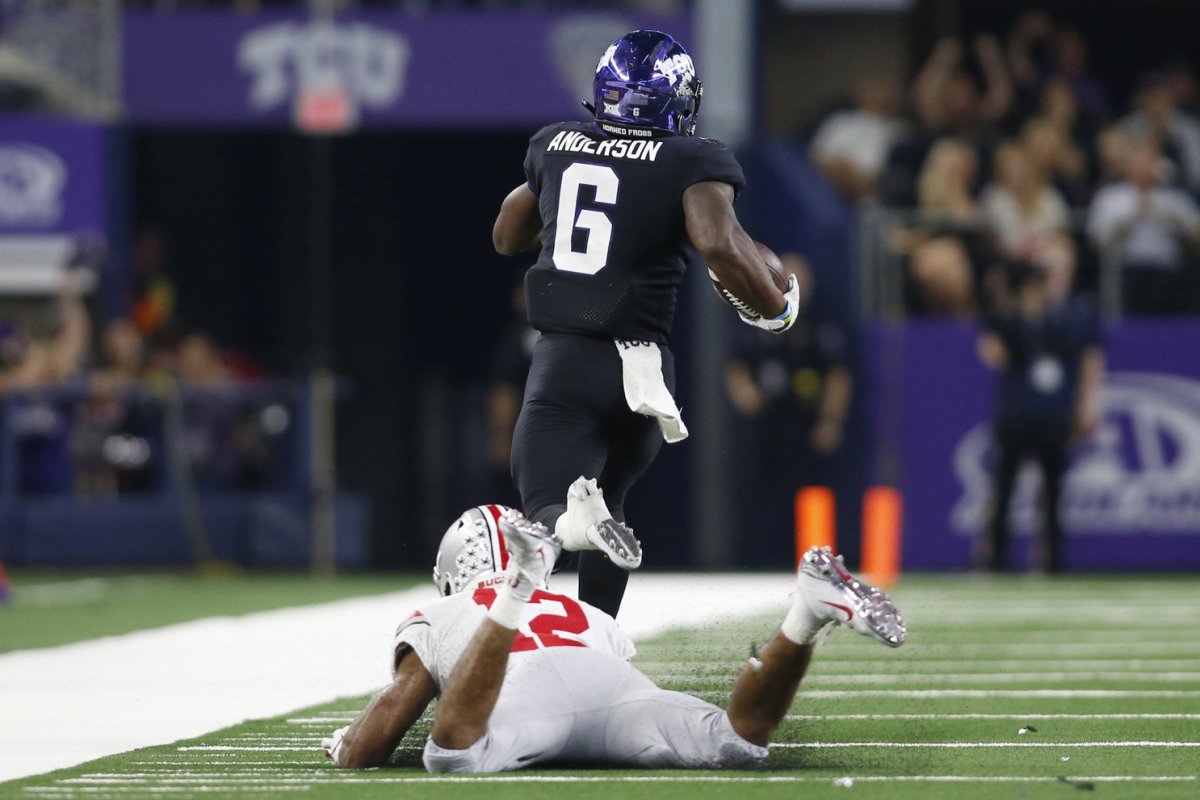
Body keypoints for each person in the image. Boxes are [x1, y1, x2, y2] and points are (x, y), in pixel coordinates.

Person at [492, 30, 799, 617]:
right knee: (613, 496)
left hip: (569, 358)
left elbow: (507, 237)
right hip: (645, 370)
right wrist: (776, 309)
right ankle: (599, 640)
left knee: (546, 507)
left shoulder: (557, 143)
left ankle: (578, 526)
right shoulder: (693, 157)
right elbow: (720, 242)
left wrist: (554, 182)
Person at [322, 505, 905, 772]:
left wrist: (348, 742)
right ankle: (804, 614)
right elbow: (601, 664)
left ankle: (513, 592)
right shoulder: (580, 609)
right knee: (737, 742)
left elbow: (380, 737)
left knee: (451, 756)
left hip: (528, 694)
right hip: (610, 681)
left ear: (455, 569)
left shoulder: (445, 608)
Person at [976, 260, 1104, 573]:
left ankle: (1051, 559)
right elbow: (994, 353)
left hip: (1053, 413)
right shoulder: (1010, 320)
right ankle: (996, 558)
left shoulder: (1070, 316)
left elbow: (1087, 354)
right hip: (1017, 413)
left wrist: (1087, 403)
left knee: (1053, 489)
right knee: (1004, 485)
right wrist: (1016, 312)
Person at [724, 254, 853, 562]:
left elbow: (838, 375)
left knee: (811, 492)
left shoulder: (819, 326)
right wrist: (745, 394)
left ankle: (816, 557)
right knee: (763, 495)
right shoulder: (755, 320)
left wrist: (830, 421)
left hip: (805, 425)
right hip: (767, 423)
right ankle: (758, 558)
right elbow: (736, 363)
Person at [1087, 137, 1200, 315]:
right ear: (1127, 164)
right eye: (1138, 159)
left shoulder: (1174, 198)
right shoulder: (1110, 198)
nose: (1144, 165)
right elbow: (1099, 245)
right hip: (1127, 270)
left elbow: (1195, 239)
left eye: (1150, 159)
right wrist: (1130, 221)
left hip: (1168, 272)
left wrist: (1174, 221)